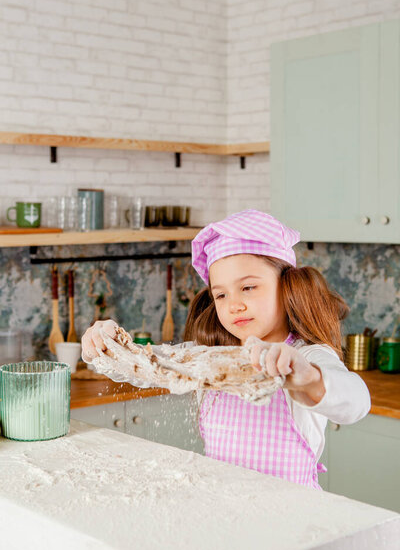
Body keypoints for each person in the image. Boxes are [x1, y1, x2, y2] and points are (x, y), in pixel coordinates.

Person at [82, 209, 371, 490]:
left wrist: (309, 378)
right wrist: (106, 345)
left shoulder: (306, 356)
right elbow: (144, 365)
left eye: (248, 288)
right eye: (221, 294)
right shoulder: (207, 358)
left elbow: (357, 402)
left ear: (288, 286)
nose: (234, 305)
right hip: (224, 509)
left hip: (290, 518)